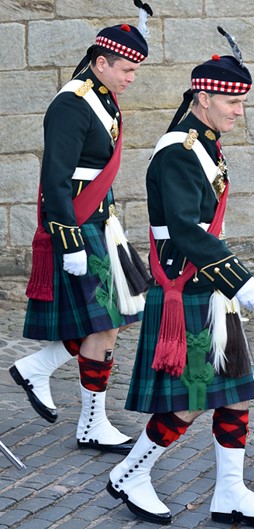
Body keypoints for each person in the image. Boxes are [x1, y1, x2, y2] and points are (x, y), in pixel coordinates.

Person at [105, 27, 254, 527]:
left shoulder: (203, 143)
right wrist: (239, 278)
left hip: (207, 285)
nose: (239, 112)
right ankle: (131, 473)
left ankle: (230, 491)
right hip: (189, 283)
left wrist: (226, 282)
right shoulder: (179, 152)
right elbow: (185, 229)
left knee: (233, 393)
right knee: (190, 402)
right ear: (204, 97)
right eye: (234, 102)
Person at [9, 1, 153, 454]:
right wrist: (68, 239)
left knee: (115, 317)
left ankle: (41, 370)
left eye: (135, 70)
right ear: (100, 61)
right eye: (125, 69)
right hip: (78, 224)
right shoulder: (72, 103)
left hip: (101, 222)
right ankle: (88, 419)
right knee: (107, 321)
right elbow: (55, 177)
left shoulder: (103, 98)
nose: (131, 78)